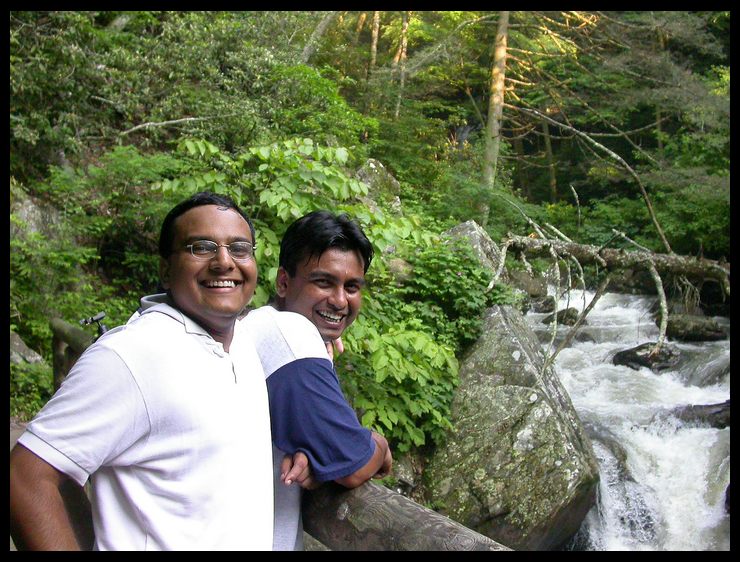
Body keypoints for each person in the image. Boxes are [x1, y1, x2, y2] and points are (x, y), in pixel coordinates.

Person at [9, 192, 303, 550]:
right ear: (165, 270)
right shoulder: (133, 355)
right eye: (201, 247)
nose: (224, 261)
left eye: (239, 248)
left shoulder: (239, 341)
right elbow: (25, 476)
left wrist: (306, 450)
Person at [239, 210, 393, 551]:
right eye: (324, 282)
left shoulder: (259, 325)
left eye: (352, 287)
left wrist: (316, 453)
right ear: (283, 282)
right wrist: (380, 445)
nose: (339, 300)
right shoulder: (292, 338)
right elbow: (355, 465)